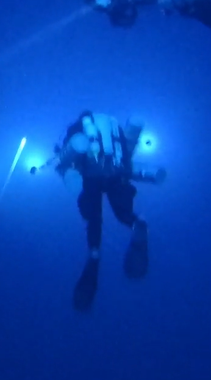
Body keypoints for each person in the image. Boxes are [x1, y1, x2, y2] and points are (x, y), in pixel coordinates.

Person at [43, 111, 168, 311]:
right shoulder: (112, 130)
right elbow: (126, 157)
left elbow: (66, 161)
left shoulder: (76, 131)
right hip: (117, 172)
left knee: (94, 219)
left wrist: (61, 164)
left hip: (92, 177)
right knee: (122, 213)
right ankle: (137, 222)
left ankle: (94, 253)